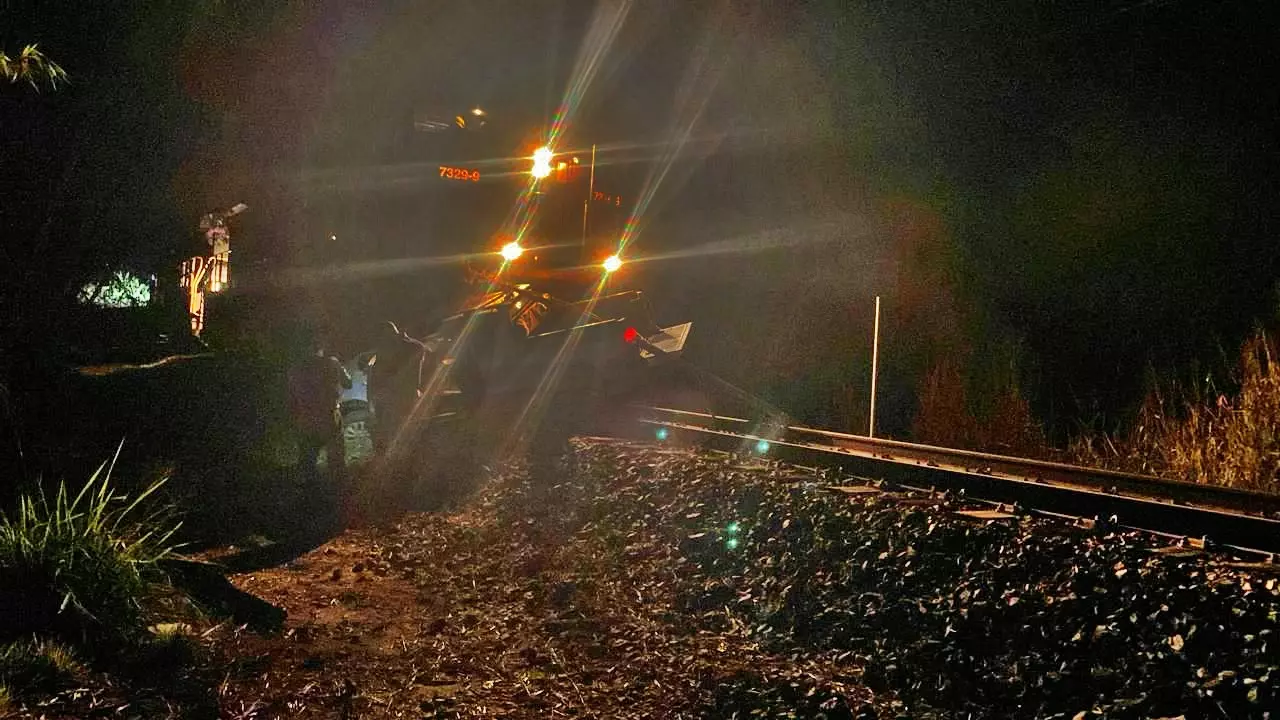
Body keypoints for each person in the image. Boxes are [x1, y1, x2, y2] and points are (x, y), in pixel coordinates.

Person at [287, 337, 352, 485]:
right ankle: (338, 491)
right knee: (336, 459)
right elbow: (347, 383)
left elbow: (291, 397)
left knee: (308, 460)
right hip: (329, 415)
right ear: (321, 347)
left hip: (306, 417)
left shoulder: (295, 369)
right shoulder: (332, 363)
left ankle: (309, 494)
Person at [367, 321, 425, 455]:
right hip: (405, 394)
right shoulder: (412, 347)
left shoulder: (392, 349)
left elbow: (379, 374)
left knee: (396, 430)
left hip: (397, 395)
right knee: (405, 429)